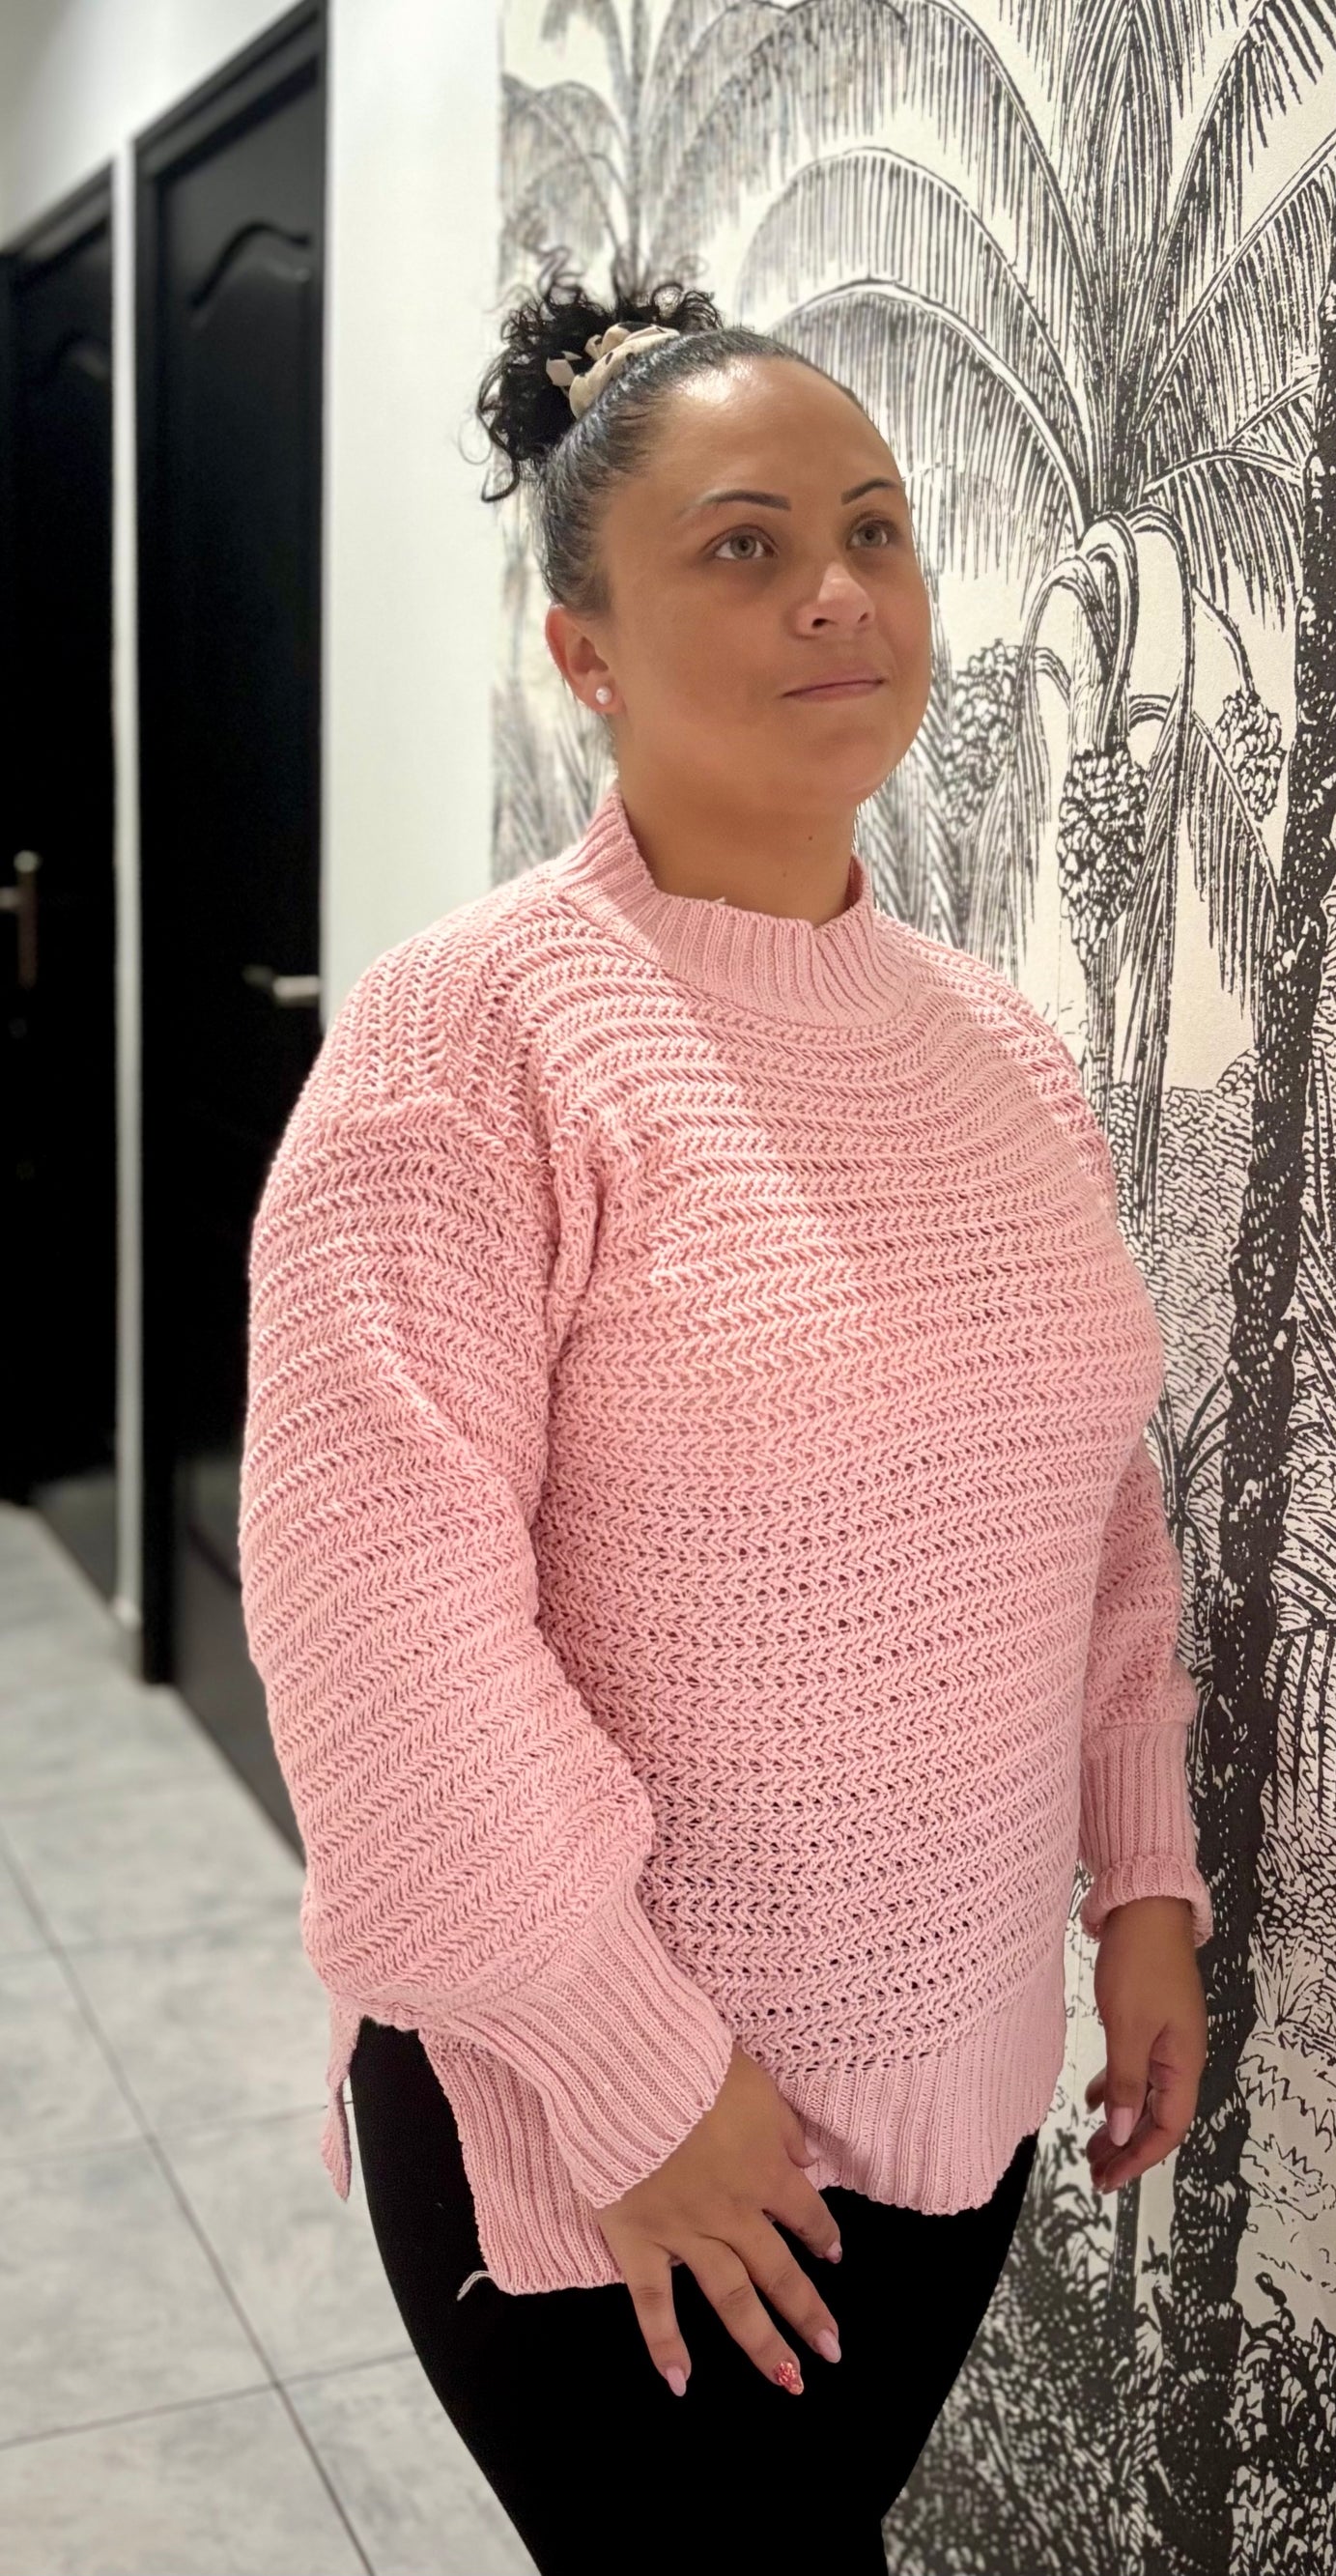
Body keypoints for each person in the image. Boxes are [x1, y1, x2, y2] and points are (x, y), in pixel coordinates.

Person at [239, 257, 1213, 2576]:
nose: (837, 591)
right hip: (609, 2132)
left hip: (950, 2091)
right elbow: (383, 1638)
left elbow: (1093, 1517)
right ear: (583, 652)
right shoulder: (472, 1041)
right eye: (745, 544)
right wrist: (641, 2082)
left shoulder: (1004, 1050)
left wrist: (1146, 1882)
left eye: (873, 529)